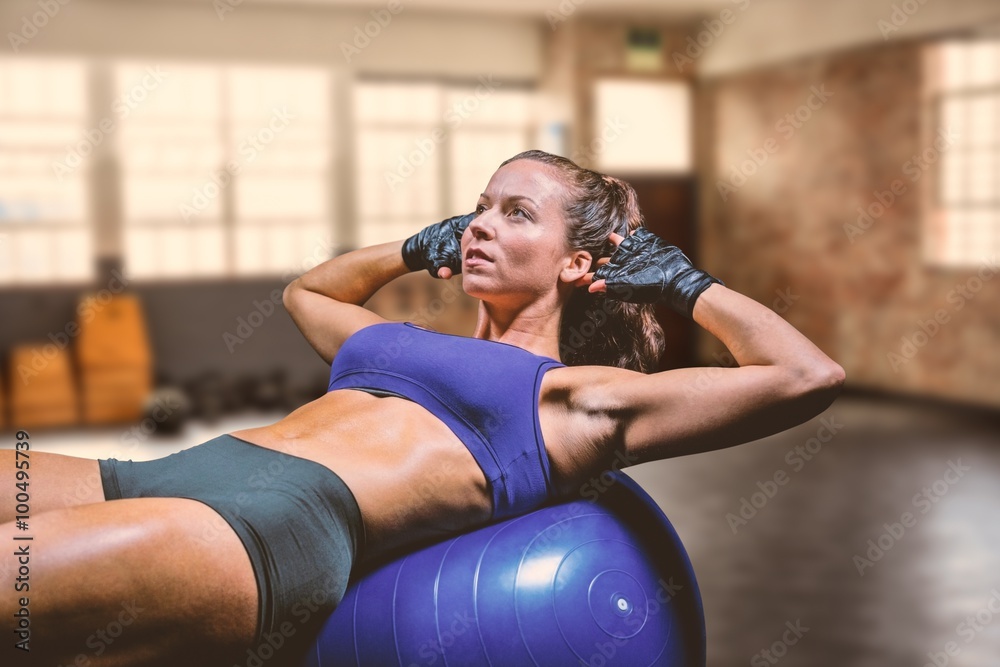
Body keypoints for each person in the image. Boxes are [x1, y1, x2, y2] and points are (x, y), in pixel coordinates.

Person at [0, 149, 844, 666]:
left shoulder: (571, 398)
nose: (479, 224)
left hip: (266, 530)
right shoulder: (394, 339)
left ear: (580, 263)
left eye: (515, 213)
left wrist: (685, 285)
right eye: (475, 207)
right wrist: (415, 246)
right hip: (161, 471)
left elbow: (805, 374)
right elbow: (306, 292)